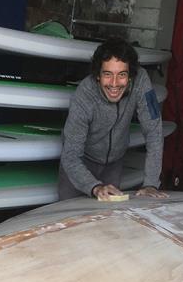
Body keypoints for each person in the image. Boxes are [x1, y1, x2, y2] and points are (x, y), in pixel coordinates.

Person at [58, 37, 170, 201]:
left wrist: (150, 184)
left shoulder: (142, 82)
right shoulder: (83, 96)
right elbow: (70, 156)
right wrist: (95, 187)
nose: (114, 84)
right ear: (97, 75)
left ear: (131, 75)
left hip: (114, 163)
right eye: (107, 74)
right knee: (67, 219)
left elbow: (154, 132)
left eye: (122, 75)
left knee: (107, 222)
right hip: (79, 164)